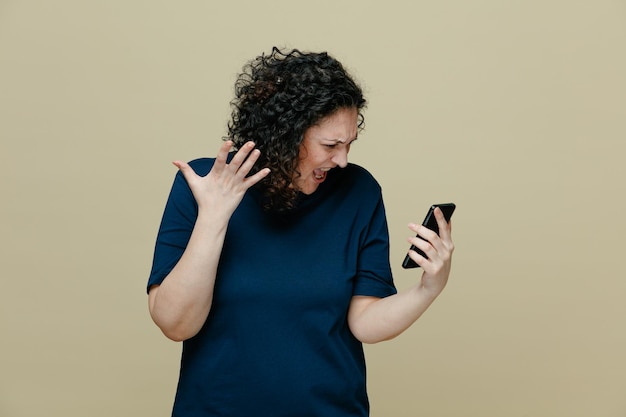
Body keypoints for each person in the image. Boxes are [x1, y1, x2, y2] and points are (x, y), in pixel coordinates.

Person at [147, 47, 454, 417]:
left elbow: (365, 321)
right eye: (330, 145)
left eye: (349, 144)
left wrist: (429, 288)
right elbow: (175, 323)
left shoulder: (359, 192)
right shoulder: (204, 185)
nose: (342, 160)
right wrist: (213, 217)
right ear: (285, 134)